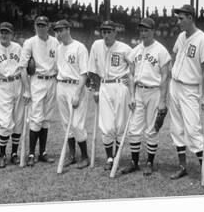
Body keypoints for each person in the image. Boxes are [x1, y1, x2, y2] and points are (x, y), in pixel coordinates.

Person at [169, 4, 204, 185]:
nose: (178, 21)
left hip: (190, 89)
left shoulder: (203, 40)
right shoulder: (181, 36)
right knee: (176, 128)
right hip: (175, 85)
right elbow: (175, 56)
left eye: (181, 18)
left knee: (193, 130)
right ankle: (182, 167)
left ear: (190, 17)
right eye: (177, 18)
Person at [122, 18, 171, 176]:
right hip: (139, 91)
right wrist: (131, 95)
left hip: (154, 91)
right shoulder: (135, 50)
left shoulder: (161, 50)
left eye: (146, 30)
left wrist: (163, 100)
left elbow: (165, 77)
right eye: (141, 30)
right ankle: (134, 162)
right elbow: (130, 74)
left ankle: (150, 162)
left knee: (151, 129)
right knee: (134, 129)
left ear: (153, 31)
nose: (143, 33)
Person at [88, 21, 134, 170]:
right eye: (104, 32)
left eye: (109, 31)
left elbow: (135, 66)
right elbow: (92, 70)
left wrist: (131, 76)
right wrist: (95, 89)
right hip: (104, 86)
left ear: (115, 32)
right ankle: (109, 157)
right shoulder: (96, 45)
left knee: (120, 124)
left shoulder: (125, 48)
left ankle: (117, 156)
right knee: (107, 127)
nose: (106, 35)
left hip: (120, 86)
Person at [19, 16, 60, 167]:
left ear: (48, 26)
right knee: (36, 117)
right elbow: (22, 67)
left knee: (46, 118)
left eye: (43, 25)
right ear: (35, 26)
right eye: (38, 25)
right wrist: (27, 90)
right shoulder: (30, 42)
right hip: (37, 80)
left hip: (52, 80)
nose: (40, 28)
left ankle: (42, 152)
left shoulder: (55, 42)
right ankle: (31, 153)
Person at [53, 20, 90, 169]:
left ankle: (85, 156)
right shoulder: (58, 48)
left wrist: (77, 93)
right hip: (61, 85)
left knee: (77, 124)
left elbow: (84, 73)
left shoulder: (79, 47)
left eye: (61, 30)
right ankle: (72, 155)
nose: (59, 33)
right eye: (57, 31)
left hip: (76, 86)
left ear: (68, 29)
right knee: (66, 122)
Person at [0, 22, 24, 168]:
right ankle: (2, 154)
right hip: (2, 84)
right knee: (5, 121)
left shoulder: (18, 48)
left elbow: (23, 68)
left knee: (18, 119)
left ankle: (14, 153)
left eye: (7, 32)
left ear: (12, 34)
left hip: (17, 82)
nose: (4, 35)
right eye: (2, 32)